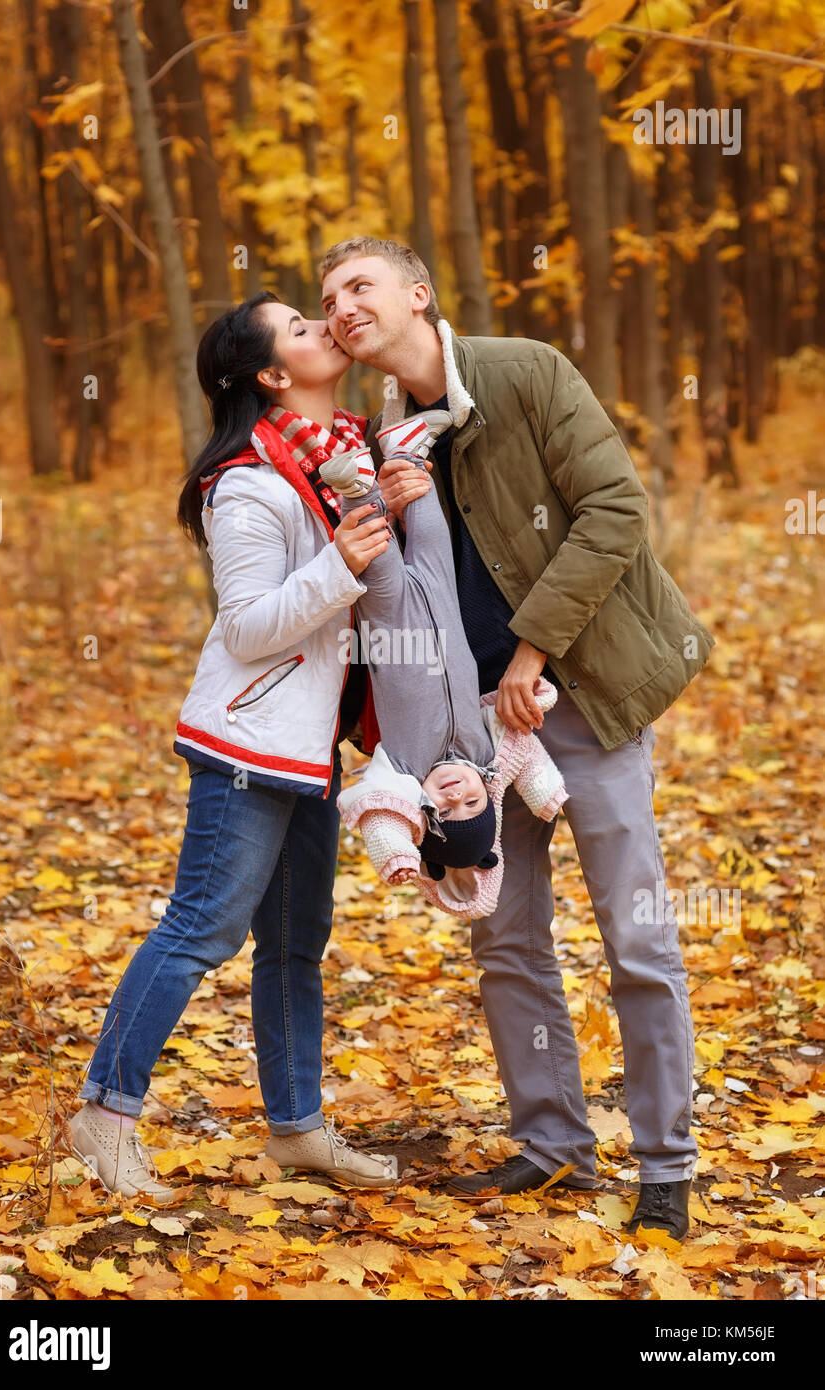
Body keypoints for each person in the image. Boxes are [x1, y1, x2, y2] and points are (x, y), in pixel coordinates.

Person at [319, 237, 715, 1240]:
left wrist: (534, 652)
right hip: (470, 731)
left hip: (577, 690)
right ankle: (552, 1148)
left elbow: (614, 509)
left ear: (418, 293)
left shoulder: (524, 369)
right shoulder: (382, 435)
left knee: (634, 935)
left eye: (359, 285)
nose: (342, 306)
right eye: (328, 298)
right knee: (504, 938)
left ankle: (664, 1163)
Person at [66, 292, 398, 1203]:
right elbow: (249, 626)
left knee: (295, 945)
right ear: (271, 376)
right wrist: (345, 562)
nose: (324, 326)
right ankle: (104, 1116)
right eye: (300, 327)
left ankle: (296, 1129)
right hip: (248, 743)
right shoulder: (249, 482)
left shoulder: (340, 458)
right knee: (198, 930)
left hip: (311, 749)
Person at [319, 410, 568, 919]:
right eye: (471, 805)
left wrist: (399, 856)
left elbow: (383, 813)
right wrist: (549, 797)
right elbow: (526, 755)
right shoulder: (489, 751)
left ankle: (354, 483)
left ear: (422, 809)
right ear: (488, 797)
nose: (455, 796)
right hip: (444, 600)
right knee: (431, 536)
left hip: (390, 620)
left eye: (442, 811)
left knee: (377, 548)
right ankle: (408, 450)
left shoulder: (404, 773)